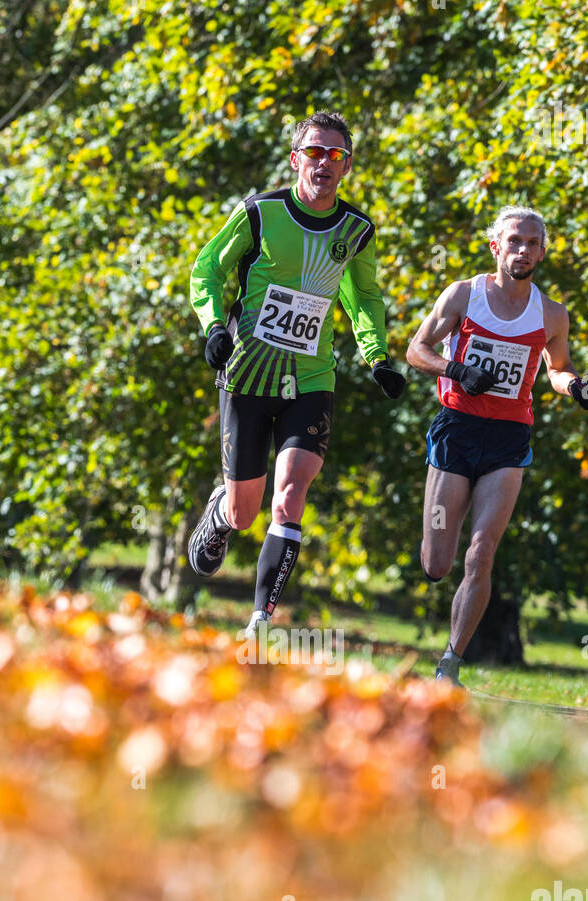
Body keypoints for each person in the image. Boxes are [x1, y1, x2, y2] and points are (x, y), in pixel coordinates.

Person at [188, 110, 405, 640]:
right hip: (247, 373)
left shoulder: (356, 230)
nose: (324, 163)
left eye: (335, 155)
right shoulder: (260, 213)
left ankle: (260, 620)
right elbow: (208, 268)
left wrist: (376, 356)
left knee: (290, 496)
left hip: (311, 377)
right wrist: (215, 325)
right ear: (295, 159)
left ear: (347, 166)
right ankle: (221, 512)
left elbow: (363, 298)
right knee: (245, 512)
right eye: (314, 152)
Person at [406, 205, 588, 685]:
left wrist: (575, 386)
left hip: (509, 439)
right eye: (515, 241)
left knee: (482, 552)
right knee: (437, 564)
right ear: (496, 246)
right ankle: (435, 569)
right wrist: (457, 371)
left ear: (542, 251)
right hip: (457, 429)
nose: (524, 250)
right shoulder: (463, 295)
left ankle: (450, 664)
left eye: (533, 243)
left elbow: (557, 367)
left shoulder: (551, 314)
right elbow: (415, 350)